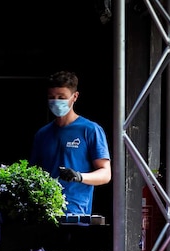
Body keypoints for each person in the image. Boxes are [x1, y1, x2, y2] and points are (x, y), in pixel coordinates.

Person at [29, 70, 111, 216]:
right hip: (44, 213)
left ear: (75, 97)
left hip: (76, 214)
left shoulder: (90, 130)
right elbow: (32, 174)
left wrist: (79, 177)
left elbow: (105, 174)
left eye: (61, 97)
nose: (56, 102)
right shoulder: (42, 134)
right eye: (51, 98)